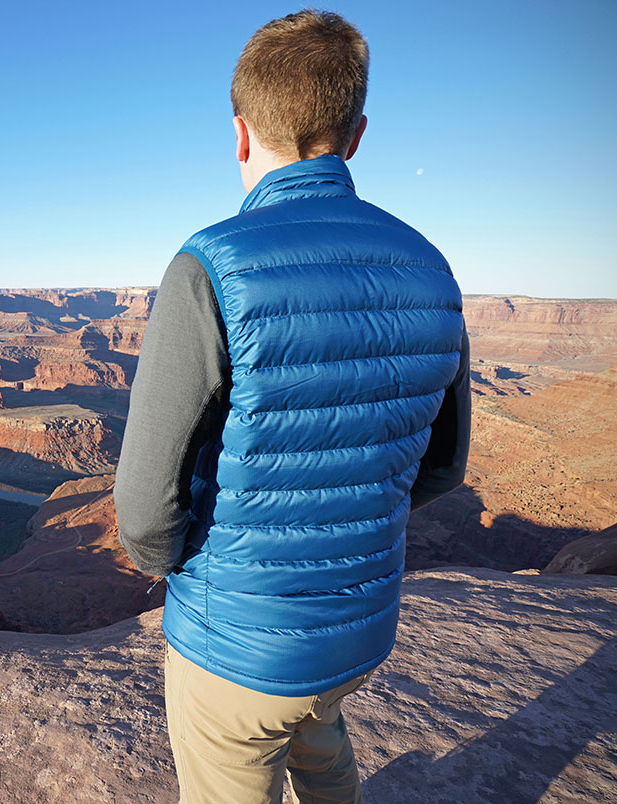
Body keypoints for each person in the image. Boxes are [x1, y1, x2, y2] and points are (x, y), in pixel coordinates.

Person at [113, 9, 471, 804]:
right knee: (318, 735)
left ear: (240, 135)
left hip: (236, 642)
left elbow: (144, 507)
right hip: (361, 629)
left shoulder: (211, 265)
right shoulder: (431, 268)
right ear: (357, 135)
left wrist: (173, 568)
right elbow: (444, 465)